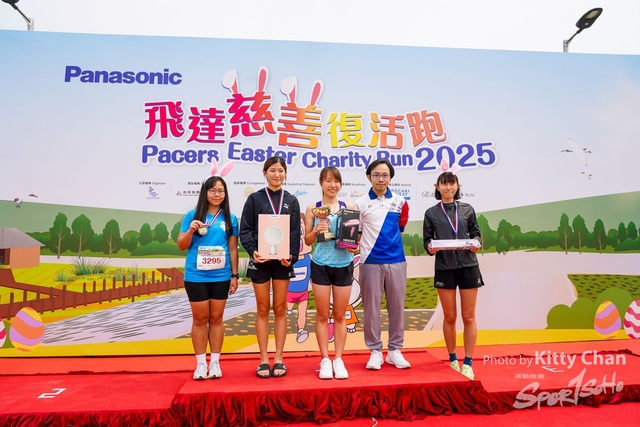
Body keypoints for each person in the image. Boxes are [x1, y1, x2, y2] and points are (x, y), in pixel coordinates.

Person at [240, 156, 301, 378]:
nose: (277, 174)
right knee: (263, 308)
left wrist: (291, 256)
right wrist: (253, 251)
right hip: (261, 261)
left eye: (280, 170)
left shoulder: (291, 200)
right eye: (272, 170)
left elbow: (294, 232)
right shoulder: (254, 199)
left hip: (282, 263)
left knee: (280, 308)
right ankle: (264, 359)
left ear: (285, 173)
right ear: (264, 173)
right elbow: (245, 230)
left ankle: (279, 358)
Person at [422, 162, 484, 380]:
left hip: (469, 267)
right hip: (444, 268)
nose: (448, 187)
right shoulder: (431, 213)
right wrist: (430, 247)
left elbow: (476, 234)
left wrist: (477, 243)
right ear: (437, 187)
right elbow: (427, 240)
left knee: (469, 316)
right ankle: (453, 359)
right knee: (449, 317)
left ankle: (468, 362)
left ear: (458, 186)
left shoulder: (467, 209)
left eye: (452, 183)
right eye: (444, 183)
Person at [177, 175, 239, 380]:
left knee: (216, 318)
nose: (216, 194)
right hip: (196, 275)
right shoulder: (192, 216)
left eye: (220, 191)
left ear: (225, 194)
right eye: (212, 190)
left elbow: (233, 248)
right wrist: (191, 230)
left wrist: (234, 275)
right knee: (200, 319)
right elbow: (181, 245)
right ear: (205, 192)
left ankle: (215, 363)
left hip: (221, 275)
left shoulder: (231, 219)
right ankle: (200, 364)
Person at [354, 159, 411, 370]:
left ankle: (395, 350)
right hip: (370, 262)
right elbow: (357, 233)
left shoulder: (400, 202)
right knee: (371, 309)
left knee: (397, 307)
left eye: (385, 175)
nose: (381, 179)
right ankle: (375, 351)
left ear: (390, 178)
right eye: (376, 175)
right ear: (369, 177)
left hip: (396, 261)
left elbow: (400, 228)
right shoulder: (360, 204)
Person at [304, 167, 357, 380]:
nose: (332, 185)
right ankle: (325, 359)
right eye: (328, 181)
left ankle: (339, 359)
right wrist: (316, 230)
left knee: (340, 315)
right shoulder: (312, 208)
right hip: (320, 265)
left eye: (336, 181)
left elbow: (355, 240)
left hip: (344, 265)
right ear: (321, 183)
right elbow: (307, 241)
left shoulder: (349, 207)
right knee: (322, 315)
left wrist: (353, 246)